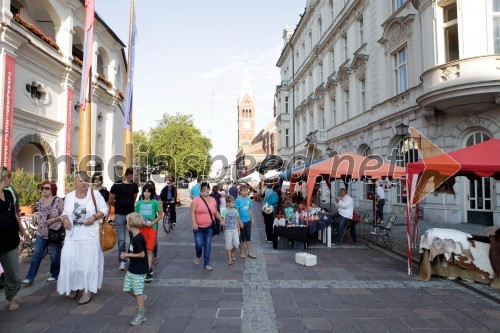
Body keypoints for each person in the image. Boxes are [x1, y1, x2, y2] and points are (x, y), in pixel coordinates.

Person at [57, 171, 109, 305]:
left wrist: (95, 217)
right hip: (72, 236)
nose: (83, 183)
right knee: (70, 261)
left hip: (89, 236)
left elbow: (105, 209)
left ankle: (87, 290)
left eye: (85, 180)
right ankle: (74, 286)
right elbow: (64, 213)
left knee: (88, 263)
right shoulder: (68, 197)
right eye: (80, 180)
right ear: (74, 183)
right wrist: (64, 219)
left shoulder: (95, 194)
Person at [22, 181, 64, 285]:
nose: (44, 190)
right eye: (42, 188)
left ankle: (54, 274)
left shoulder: (58, 201)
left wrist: (52, 220)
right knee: (36, 254)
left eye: (47, 188)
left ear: (52, 189)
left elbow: (64, 215)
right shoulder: (40, 201)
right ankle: (30, 277)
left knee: (54, 256)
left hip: (55, 232)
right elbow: (40, 215)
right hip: (41, 232)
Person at [0, 167, 29, 311]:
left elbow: (15, 215)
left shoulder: (8, 193)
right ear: (4, 178)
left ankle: (12, 298)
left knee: (12, 272)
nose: (11, 180)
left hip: (11, 240)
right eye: (9, 177)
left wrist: (22, 230)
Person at [109, 167, 139, 271]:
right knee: (121, 240)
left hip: (130, 215)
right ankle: (122, 261)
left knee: (132, 238)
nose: (136, 177)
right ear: (129, 175)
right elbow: (110, 199)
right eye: (135, 175)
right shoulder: (117, 185)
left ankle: (132, 259)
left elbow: (134, 197)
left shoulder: (134, 186)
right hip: (120, 215)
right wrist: (119, 206)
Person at [121, 213, 149, 326]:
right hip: (132, 267)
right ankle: (141, 297)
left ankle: (141, 314)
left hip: (140, 268)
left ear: (130, 224)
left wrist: (128, 256)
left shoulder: (138, 238)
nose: (126, 224)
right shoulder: (132, 234)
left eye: (127, 222)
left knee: (138, 291)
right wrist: (127, 254)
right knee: (127, 288)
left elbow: (142, 254)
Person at [190, 182, 222, 271]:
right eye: (204, 189)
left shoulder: (213, 200)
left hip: (209, 227)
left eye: (207, 189)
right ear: (200, 190)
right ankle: (198, 255)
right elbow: (192, 212)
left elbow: (215, 212)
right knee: (199, 245)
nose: (206, 191)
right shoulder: (196, 200)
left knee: (207, 245)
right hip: (198, 227)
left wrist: (221, 219)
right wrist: (194, 223)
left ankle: (206, 263)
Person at [135, 183, 162, 283]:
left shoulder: (155, 202)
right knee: (142, 250)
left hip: (152, 228)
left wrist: (153, 223)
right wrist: (140, 223)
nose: (146, 193)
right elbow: (136, 215)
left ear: (151, 192)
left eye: (148, 191)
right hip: (141, 229)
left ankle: (148, 270)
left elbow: (160, 215)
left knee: (150, 249)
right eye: (145, 191)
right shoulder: (139, 203)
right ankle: (144, 269)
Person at [235, 185, 256, 259]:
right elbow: (236, 212)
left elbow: (249, 210)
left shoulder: (248, 200)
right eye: (243, 191)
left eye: (246, 191)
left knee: (248, 237)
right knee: (241, 238)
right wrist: (239, 221)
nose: (244, 192)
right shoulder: (238, 200)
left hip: (248, 221)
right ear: (240, 191)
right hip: (241, 222)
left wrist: (252, 219)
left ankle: (250, 252)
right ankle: (242, 252)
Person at [221, 196, 242, 265]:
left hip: (235, 230)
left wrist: (239, 230)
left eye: (234, 202)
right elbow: (223, 219)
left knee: (236, 244)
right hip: (228, 231)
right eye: (232, 203)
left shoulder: (235, 210)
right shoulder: (225, 211)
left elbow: (237, 220)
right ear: (227, 203)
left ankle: (232, 252)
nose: (234, 204)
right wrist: (223, 222)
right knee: (228, 245)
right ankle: (229, 258)